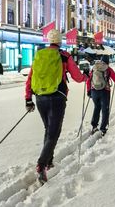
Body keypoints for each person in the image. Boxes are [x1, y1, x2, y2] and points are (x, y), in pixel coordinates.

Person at [25, 29, 87, 184]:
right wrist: (86, 77)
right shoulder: (64, 56)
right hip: (57, 98)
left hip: (40, 98)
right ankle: (41, 165)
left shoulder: (39, 55)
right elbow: (77, 76)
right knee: (54, 132)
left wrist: (28, 99)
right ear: (59, 42)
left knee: (48, 129)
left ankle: (49, 160)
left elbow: (30, 77)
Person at [86, 55, 115, 137]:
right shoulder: (108, 69)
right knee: (105, 110)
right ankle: (103, 129)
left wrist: (88, 91)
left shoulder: (94, 68)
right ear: (108, 62)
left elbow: (88, 80)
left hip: (94, 91)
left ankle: (94, 126)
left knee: (96, 108)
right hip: (105, 92)